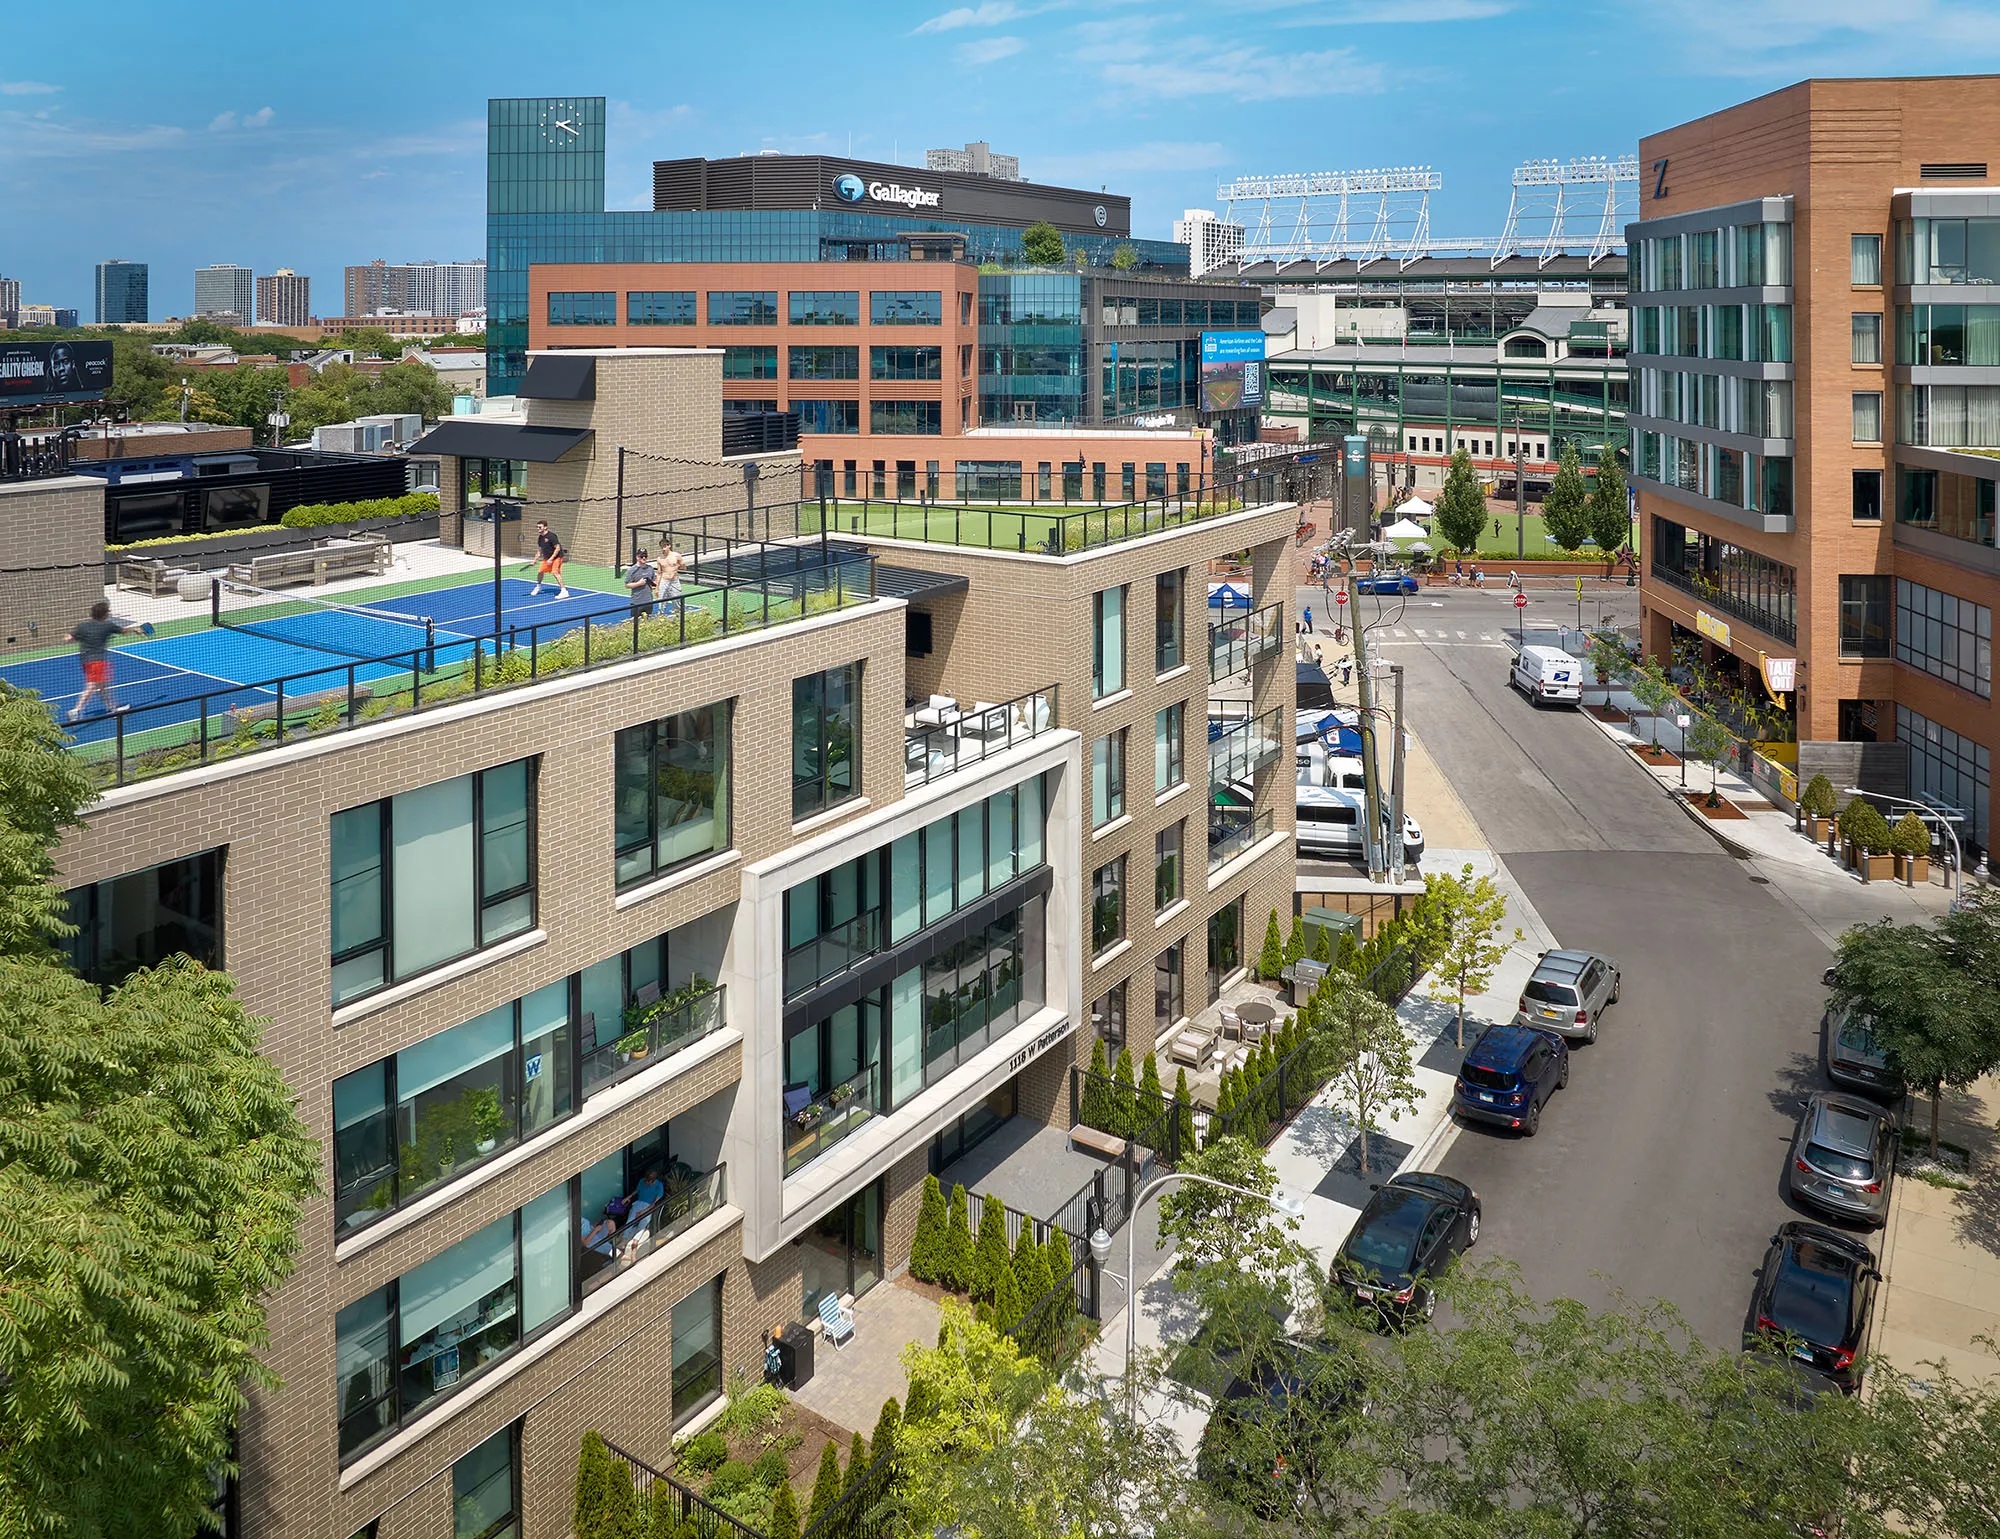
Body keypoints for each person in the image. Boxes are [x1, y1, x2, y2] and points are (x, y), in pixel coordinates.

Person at [66, 600, 151, 723]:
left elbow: (68, 638)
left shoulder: (82, 626)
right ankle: (76, 710)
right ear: (105, 614)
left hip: (85, 660)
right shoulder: (108, 626)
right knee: (92, 685)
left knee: (102, 687)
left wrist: (84, 639)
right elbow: (124, 631)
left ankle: (113, 709)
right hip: (98, 661)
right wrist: (137, 630)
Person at [530, 521, 569, 599]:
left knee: (555, 572)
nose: (538, 529)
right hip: (547, 558)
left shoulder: (552, 536)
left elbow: (557, 548)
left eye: (540, 527)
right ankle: (538, 587)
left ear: (545, 527)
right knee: (540, 572)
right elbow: (540, 550)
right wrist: (535, 560)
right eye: (537, 527)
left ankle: (564, 591)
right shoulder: (540, 537)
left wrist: (551, 559)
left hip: (557, 557)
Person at [625, 547, 659, 615]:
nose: (644, 558)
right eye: (641, 556)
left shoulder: (650, 568)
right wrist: (638, 583)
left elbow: (654, 580)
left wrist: (654, 585)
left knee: (648, 622)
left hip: (649, 601)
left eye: (645, 556)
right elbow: (627, 585)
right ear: (637, 557)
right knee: (636, 623)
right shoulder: (632, 570)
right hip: (637, 602)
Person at [657, 545, 689, 617]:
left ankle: (679, 618)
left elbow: (683, 568)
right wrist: (657, 587)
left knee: (676, 600)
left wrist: (679, 567)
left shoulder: (676, 555)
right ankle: (660, 618)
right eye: (662, 546)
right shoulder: (660, 558)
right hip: (664, 580)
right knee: (661, 601)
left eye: (665, 545)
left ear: (669, 546)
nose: (663, 548)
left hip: (674, 581)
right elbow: (659, 573)